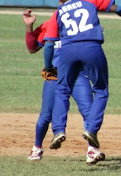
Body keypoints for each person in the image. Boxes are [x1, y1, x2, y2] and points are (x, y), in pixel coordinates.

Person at [44, 0, 121, 164]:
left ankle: (58, 131)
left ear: (60, 0)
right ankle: (92, 130)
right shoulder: (89, 0)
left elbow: (49, 45)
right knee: (101, 90)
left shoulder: (58, 12)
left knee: (62, 91)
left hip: (68, 50)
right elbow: (118, 8)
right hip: (92, 48)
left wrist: (48, 67)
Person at [23, 9, 93, 161]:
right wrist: (29, 27)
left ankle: (92, 150)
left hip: (78, 75)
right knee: (46, 115)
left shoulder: (83, 26)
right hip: (55, 75)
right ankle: (37, 148)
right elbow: (32, 48)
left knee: (88, 111)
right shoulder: (49, 25)